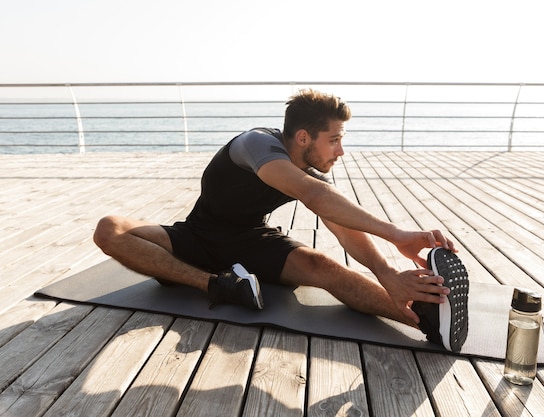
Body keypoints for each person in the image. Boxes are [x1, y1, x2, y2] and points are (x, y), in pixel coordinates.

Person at [93, 89, 469, 352]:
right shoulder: (256, 144)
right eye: (334, 139)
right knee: (110, 229)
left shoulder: (309, 173)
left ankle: (425, 320)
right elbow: (314, 195)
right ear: (303, 136)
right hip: (198, 236)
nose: (341, 150)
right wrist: (397, 234)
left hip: (251, 240)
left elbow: (343, 227)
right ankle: (216, 285)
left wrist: (386, 271)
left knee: (321, 265)